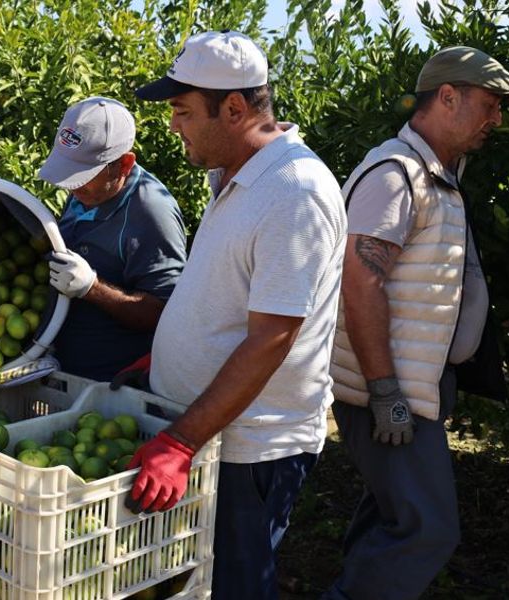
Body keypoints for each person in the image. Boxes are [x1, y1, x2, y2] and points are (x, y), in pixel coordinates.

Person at [127, 31, 347, 598]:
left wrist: (179, 443)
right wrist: (176, 343)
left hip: (252, 448)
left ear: (234, 108)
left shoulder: (293, 191)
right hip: (213, 433)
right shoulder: (235, 176)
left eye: (181, 111)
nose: (173, 125)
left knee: (236, 586)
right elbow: (231, 289)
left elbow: (274, 337)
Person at [323, 47, 509, 600]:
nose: (497, 119)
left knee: (392, 516)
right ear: (449, 97)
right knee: (427, 531)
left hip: (413, 387)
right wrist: (387, 391)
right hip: (390, 395)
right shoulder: (397, 174)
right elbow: (359, 282)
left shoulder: (437, 176)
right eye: (490, 104)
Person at [39, 96, 187, 381]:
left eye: (83, 175)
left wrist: (92, 287)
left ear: (124, 165)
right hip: (62, 373)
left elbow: (163, 313)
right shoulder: (88, 190)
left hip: (112, 387)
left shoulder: (151, 213)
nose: (73, 185)